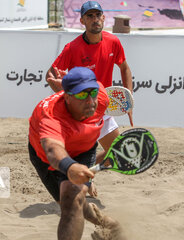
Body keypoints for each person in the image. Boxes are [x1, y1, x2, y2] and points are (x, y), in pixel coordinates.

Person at [28, 67, 123, 240]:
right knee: (72, 203)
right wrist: (69, 166)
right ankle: (109, 224)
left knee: (72, 202)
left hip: (83, 149)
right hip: (45, 157)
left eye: (92, 92)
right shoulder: (51, 117)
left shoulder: (100, 97)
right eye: (81, 95)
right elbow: (52, 149)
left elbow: (99, 94)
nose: (89, 101)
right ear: (67, 96)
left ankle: (111, 226)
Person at [46, 1, 133, 169]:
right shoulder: (72, 48)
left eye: (98, 15)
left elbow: (125, 68)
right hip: (81, 112)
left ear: (104, 18)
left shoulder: (113, 42)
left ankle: (87, 173)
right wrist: (69, 96)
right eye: (90, 16)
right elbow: (50, 75)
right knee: (72, 162)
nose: (95, 19)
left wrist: (128, 96)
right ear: (82, 21)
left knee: (120, 154)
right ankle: (80, 176)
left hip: (102, 108)